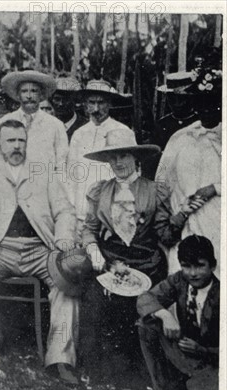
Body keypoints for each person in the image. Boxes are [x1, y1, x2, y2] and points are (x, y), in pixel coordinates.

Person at [0, 119, 81, 385]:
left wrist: (63, 237)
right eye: (10, 141)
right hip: (0, 248)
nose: (16, 146)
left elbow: (65, 210)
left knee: (68, 281)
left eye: (21, 140)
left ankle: (60, 358)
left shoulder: (42, 169)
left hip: (40, 248)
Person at [80, 129, 202, 372]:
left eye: (123, 156)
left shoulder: (153, 191)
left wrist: (182, 214)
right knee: (94, 301)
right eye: (112, 158)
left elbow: (166, 236)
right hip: (110, 263)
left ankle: (143, 371)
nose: (118, 163)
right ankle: (97, 371)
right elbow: (89, 229)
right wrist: (93, 249)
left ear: (136, 158)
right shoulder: (100, 191)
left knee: (144, 310)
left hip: (146, 264)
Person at [136, 235, 218, 390]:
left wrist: (202, 350)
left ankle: (186, 387)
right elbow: (145, 298)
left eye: (200, 266)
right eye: (186, 266)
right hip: (184, 350)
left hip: (211, 361)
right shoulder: (180, 280)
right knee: (147, 323)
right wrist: (165, 314)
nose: (193, 273)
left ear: (213, 266)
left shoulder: (221, 294)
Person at [155, 67, 221, 276]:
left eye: (213, 104)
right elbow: (163, 180)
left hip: (217, 221)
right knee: (183, 276)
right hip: (185, 221)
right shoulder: (182, 138)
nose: (207, 110)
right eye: (201, 104)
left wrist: (215, 188)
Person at [66, 79, 129, 242]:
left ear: (109, 104)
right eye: (91, 102)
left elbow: (128, 176)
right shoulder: (79, 134)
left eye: (101, 103)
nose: (96, 108)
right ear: (85, 105)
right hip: (81, 214)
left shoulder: (122, 131)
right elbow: (71, 175)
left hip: (110, 215)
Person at [0, 70, 68, 171]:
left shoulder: (55, 125)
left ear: (41, 95)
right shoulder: (3, 122)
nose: (29, 96)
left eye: (34, 91)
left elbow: (61, 164)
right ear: (18, 95)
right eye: (24, 91)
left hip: (44, 183)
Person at [141, 71, 198, 179]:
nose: (177, 103)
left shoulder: (198, 122)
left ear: (191, 97)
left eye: (182, 98)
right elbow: (154, 156)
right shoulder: (162, 124)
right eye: (172, 98)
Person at [49, 76, 88, 142]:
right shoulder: (46, 124)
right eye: (57, 99)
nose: (61, 104)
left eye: (66, 99)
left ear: (75, 101)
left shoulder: (85, 126)